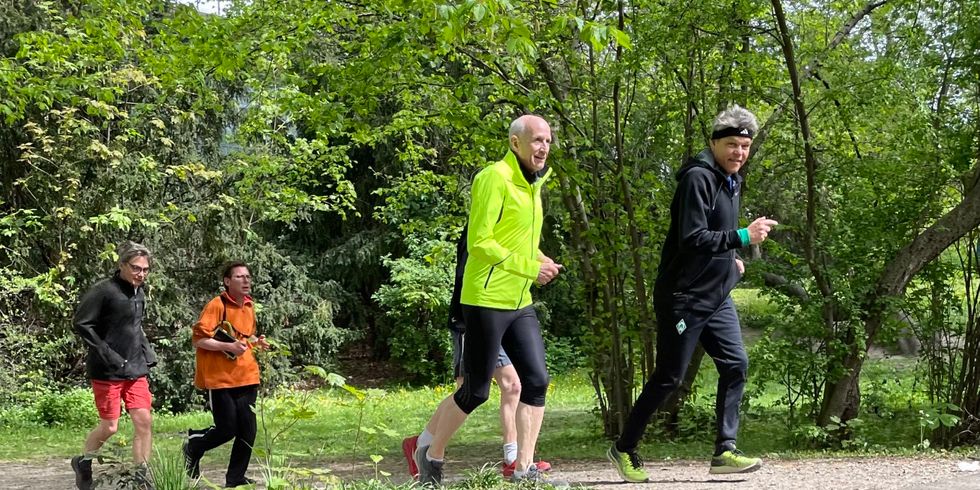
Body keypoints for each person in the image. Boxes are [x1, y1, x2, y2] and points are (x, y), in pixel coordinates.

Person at [607, 105, 778, 482]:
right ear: (715, 143)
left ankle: (725, 450)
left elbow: (716, 234)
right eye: (731, 144)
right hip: (683, 297)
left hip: (716, 297)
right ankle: (624, 448)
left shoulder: (730, 180)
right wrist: (743, 238)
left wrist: (732, 259)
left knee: (736, 365)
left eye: (745, 147)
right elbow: (691, 238)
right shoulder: (697, 179)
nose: (739, 153)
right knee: (669, 378)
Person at [412, 114, 562, 485]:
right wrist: (529, 267)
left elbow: (515, 237)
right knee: (476, 390)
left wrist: (539, 258)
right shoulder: (494, 178)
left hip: (518, 299)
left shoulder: (534, 184)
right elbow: (479, 242)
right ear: (516, 143)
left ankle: (524, 470)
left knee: (536, 380)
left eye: (548, 141)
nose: (543, 147)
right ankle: (430, 454)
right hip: (484, 299)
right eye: (536, 140)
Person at [402, 227, 551, 478]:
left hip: (511, 308)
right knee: (471, 391)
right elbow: (479, 256)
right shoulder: (483, 217)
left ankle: (515, 460)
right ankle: (423, 446)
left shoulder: (516, 216)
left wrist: (540, 259)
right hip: (479, 311)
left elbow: (518, 245)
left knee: (515, 385)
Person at [71, 241, 157, 490]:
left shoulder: (138, 292)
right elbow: (81, 323)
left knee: (144, 422)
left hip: (136, 369)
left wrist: (146, 352)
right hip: (107, 371)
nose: (141, 273)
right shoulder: (103, 291)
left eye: (145, 269)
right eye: (136, 268)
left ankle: (141, 476)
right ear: (121, 265)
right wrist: (107, 354)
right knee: (110, 426)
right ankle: (83, 462)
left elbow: (133, 328)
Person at [182, 261, 270, 488]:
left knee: (248, 431)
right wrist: (228, 347)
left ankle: (235, 479)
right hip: (220, 380)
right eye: (240, 277)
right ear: (227, 281)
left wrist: (256, 342)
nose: (246, 280)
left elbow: (244, 337)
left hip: (247, 376)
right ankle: (193, 445)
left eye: (248, 276)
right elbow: (199, 340)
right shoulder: (217, 304)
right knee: (227, 429)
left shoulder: (249, 305)